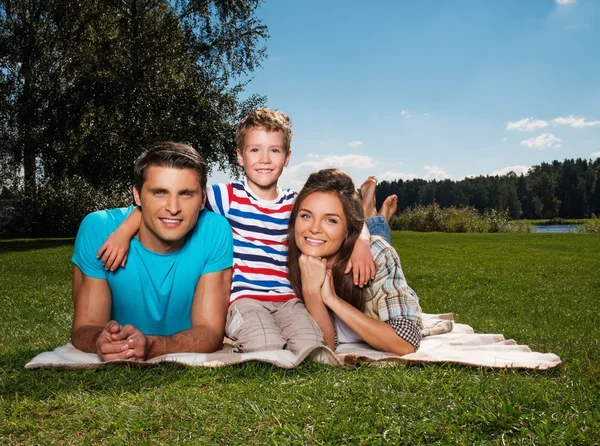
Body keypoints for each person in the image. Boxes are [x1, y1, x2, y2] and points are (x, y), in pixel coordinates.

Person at [97, 108, 377, 355]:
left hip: (289, 299)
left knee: (313, 345)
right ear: (240, 157)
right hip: (245, 299)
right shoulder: (226, 196)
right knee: (265, 345)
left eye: (274, 150)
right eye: (255, 150)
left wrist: (362, 243)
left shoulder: (295, 202)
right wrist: (123, 232)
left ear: (287, 157)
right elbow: (176, 203)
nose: (264, 159)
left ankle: (373, 206)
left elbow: (348, 217)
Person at [71, 142, 233, 361]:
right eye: (159, 192)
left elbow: (210, 332)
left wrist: (152, 345)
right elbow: (85, 327)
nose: (173, 208)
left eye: (186, 194)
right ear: (137, 195)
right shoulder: (98, 229)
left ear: (202, 199)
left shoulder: (214, 230)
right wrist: (100, 341)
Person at [287, 169, 423, 355]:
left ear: (349, 229)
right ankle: (370, 212)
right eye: (306, 216)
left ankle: (371, 212)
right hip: (357, 237)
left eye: (331, 220)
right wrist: (312, 291)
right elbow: (325, 345)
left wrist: (332, 299)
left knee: (379, 240)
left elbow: (405, 342)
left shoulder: (377, 254)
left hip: (382, 276)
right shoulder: (287, 256)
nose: (315, 229)